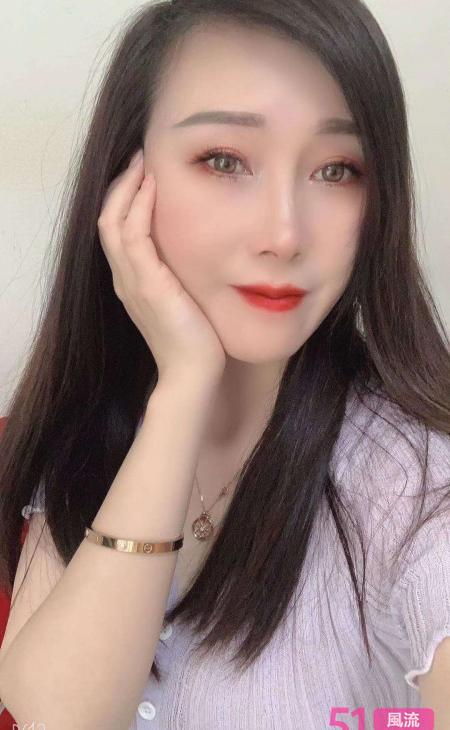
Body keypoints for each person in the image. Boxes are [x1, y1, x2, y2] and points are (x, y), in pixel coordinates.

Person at [0, 0, 449, 728]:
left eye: (338, 169)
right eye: (224, 160)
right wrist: (182, 389)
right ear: (127, 181)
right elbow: (61, 712)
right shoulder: (96, 417)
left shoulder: (418, 480)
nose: (284, 234)